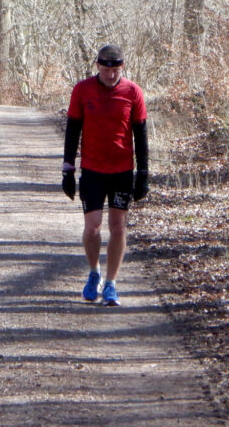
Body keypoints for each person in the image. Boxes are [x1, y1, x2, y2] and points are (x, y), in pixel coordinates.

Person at [61, 44, 148, 306]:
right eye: (106, 69)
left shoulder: (133, 92)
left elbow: (141, 134)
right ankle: (94, 272)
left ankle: (111, 284)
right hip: (92, 169)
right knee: (92, 226)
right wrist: (68, 169)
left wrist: (143, 172)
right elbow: (73, 129)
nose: (111, 75)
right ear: (98, 66)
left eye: (116, 69)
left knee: (118, 227)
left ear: (122, 67)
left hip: (122, 169)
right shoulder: (82, 89)